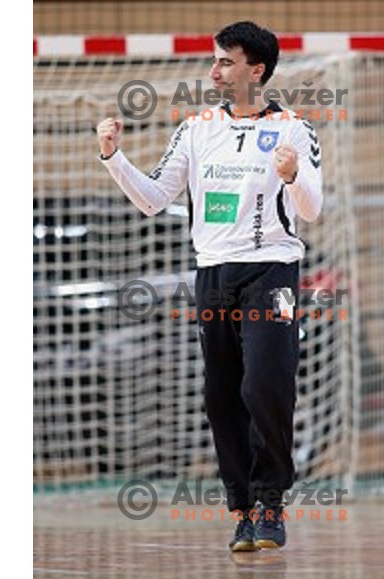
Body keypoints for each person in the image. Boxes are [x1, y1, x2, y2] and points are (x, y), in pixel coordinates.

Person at [96, 21, 323, 551]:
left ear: (256, 70)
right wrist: (113, 157)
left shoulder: (294, 129)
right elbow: (153, 199)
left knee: (266, 383)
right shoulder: (196, 128)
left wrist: (292, 177)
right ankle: (243, 509)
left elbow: (313, 209)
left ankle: (272, 502)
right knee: (222, 395)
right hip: (214, 274)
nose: (213, 70)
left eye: (225, 61)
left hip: (274, 271)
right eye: (214, 60)